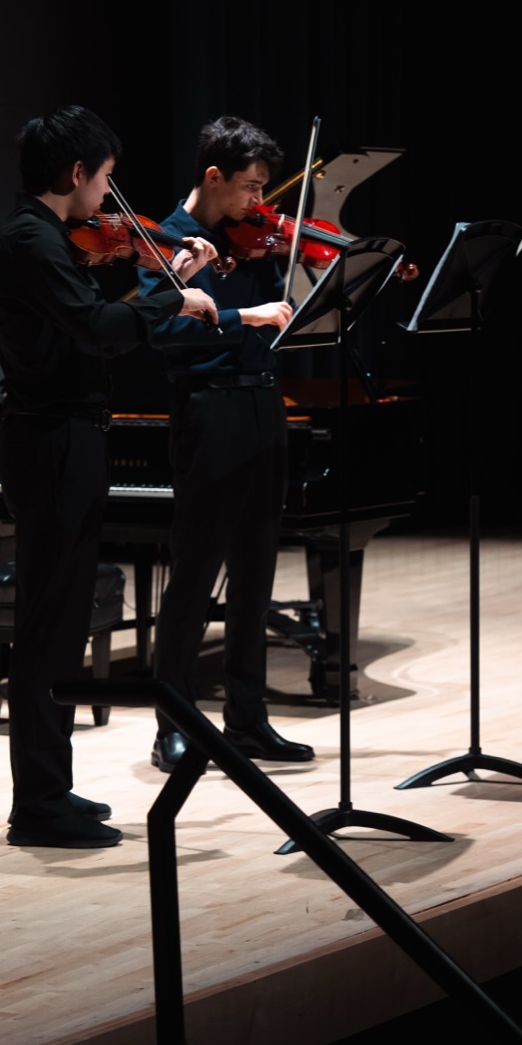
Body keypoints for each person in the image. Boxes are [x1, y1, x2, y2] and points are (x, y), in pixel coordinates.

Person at [0, 105, 218, 848]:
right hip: (51, 441)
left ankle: (53, 788)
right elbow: (96, 328)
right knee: (47, 625)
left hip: (70, 440)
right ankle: (38, 807)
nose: (108, 198)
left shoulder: (51, 239)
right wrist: (171, 296)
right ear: (76, 173)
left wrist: (163, 286)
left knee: (62, 623)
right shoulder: (30, 240)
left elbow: (100, 331)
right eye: (106, 179)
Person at [139, 115, 315, 770]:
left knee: (255, 576)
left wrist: (282, 278)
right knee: (193, 577)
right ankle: (172, 724)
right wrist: (249, 315)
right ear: (213, 178)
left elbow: (281, 316)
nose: (259, 204)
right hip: (209, 414)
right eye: (248, 187)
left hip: (264, 404)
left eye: (264, 189)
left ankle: (247, 719)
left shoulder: (253, 239)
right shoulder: (165, 240)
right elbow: (170, 333)